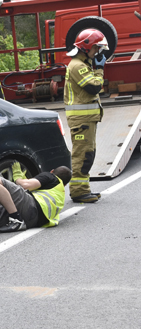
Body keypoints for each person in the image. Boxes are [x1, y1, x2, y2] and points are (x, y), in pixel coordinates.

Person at [64, 28, 108, 203]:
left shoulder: (83, 65)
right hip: (81, 121)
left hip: (87, 120)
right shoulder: (78, 66)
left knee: (87, 154)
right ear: (86, 47)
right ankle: (79, 192)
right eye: (96, 48)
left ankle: (83, 189)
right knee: (82, 155)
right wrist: (99, 70)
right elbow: (94, 87)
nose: (97, 52)